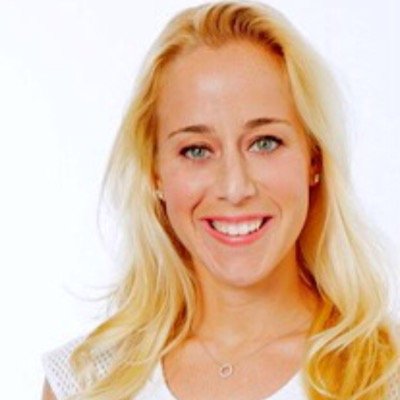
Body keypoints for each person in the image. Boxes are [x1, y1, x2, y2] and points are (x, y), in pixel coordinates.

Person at [42, 1, 400, 399]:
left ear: (313, 159)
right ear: (155, 172)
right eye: (196, 150)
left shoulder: (387, 375)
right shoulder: (86, 379)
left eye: (265, 143)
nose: (235, 187)